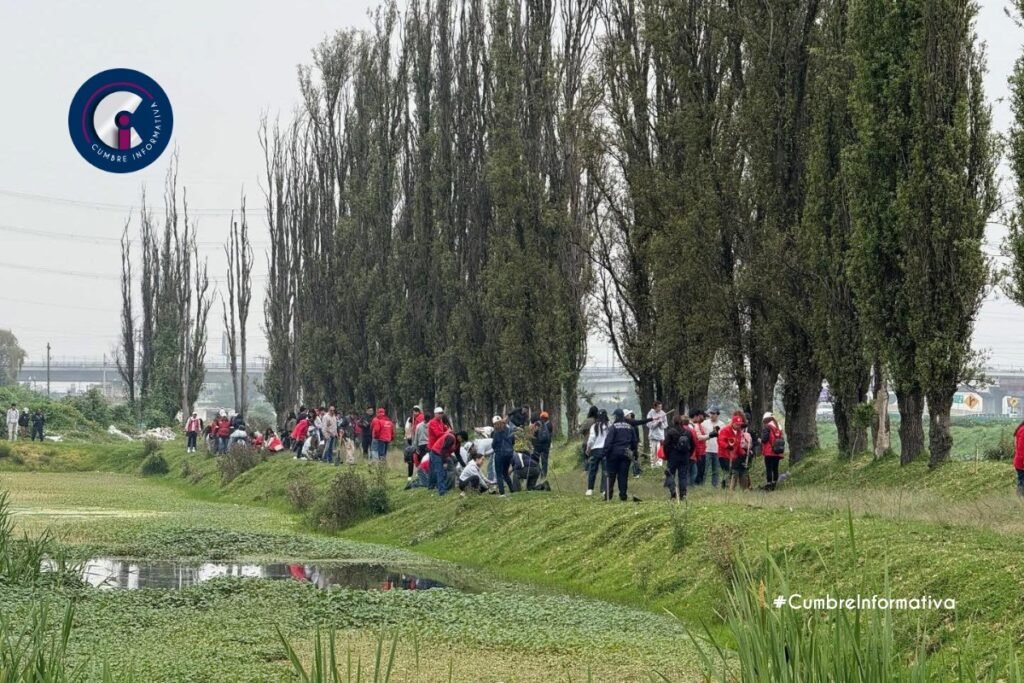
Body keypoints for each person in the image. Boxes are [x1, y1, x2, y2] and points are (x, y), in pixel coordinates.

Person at [604, 408, 638, 501]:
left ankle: (608, 496)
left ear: (616, 416)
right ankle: (623, 496)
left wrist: (606, 452)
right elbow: (634, 442)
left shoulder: (613, 427)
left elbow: (608, 441)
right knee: (623, 476)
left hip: (613, 455)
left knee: (611, 475)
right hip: (626, 454)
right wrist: (633, 452)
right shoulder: (630, 427)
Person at [717, 411, 751, 490]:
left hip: (733, 455)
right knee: (727, 471)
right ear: (733, 423)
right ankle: (726, 487)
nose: (739, 426)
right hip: (724, 454)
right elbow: (720, 441)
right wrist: (727, 446)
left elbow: (738, 445)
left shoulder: (739, 432)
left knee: (732, 471)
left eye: (740, 424)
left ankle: (730, 487)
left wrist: (742, 453)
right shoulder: (725, 430)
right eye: (737, 424)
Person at [663, 415, 693, 501]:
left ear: (673, 422)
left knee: (670, 474)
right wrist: (688, 455)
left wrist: (667, 456)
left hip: (673, 456)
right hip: (684, 457)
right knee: (683, 476)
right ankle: (683, 494)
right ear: (682, 422)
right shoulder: (688, 432)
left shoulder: (670, 432)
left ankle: (673, 492)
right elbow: (692, 445)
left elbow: (665, 445)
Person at [429, 425, 462, 495]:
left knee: (454, 461)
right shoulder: (451, 438)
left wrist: (464, 464)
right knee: (440, 472)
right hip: (436, 453)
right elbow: (443, 450)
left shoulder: (457, 442)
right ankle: (442, 491)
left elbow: (458, 455)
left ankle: (446, 484)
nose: (462, 441)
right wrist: (444, 462)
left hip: (443, 454)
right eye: (463, 439)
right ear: (459, 436)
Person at [585, 410, 609, 496]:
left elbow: (591, 439)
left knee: (592, 470)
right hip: (605, 450)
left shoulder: (594, 426)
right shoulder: (608, 426)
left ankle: (590, 489)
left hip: (595, 450)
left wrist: (588, 449)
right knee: (605, 471)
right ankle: (603, 490)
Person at [490, 416, 516, 496]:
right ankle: (512, 490)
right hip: (509, 454)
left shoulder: (496, 432)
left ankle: (502, 493)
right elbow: (513, 442)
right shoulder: (509, 430)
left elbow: (493, 445)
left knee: (499, 474)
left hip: (499, 454)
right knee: (505, 473)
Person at [760, 412, 785, 491]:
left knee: (769, 468)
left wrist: (759, 440)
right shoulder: (779, 427)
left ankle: (769, 485)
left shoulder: (767, 427)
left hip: (769, 451)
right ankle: (774, 484)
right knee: (775, 468)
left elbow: (764, 440)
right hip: (777, 452)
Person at [688, 410, 709, 485]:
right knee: (695, 470)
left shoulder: (700, 426)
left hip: (701, 450)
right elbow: (699, 437)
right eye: (702, 416)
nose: (703, 418)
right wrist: (710, 435)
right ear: (697, 416)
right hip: (696, 451)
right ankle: (692, 485)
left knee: (700, 470)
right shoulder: (693, 426)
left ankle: (697, 484)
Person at [705, 406, 724, 488]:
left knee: (716, 470)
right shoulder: (704, 423)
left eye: (713, 413)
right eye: (710, 413)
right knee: (705, 469)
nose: (711, 415)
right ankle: (701, 484)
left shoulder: (722, 425)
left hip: (717, 450)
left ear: (718, 414)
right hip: (707, 449)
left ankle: (715, 486)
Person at [531, 411, 554, 477]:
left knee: (536, 460)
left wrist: (533, 444)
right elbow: (550, 435)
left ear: (541, 417)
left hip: (538, 446)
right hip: (546, 446)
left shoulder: (537, 424)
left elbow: (533, 435)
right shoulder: (550, 424)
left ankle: (537, 473)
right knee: (545, 461)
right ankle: (544, 475)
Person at [646, 401, 668, 468]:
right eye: (659, 407)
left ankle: (659, 465)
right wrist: (656, 423)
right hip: (653, 436)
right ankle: (653, 465)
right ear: (655, 407)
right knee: (653, 451)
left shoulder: (663, 413)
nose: (660, 408)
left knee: (660, 451)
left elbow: (665, 425)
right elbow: (649, 425)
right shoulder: (650, 413)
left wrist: (661, 423)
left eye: (661, 407)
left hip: (660, 436)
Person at [1015, 418, 1024, 497]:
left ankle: (1019, 500)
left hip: (1019, 462)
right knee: (1022, 482)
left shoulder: (1021, 429)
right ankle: (1020, 500)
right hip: (1022, 462)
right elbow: (1021, 448)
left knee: (1021, 481)